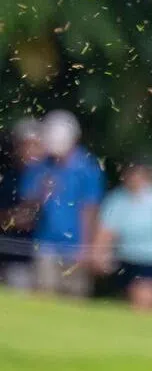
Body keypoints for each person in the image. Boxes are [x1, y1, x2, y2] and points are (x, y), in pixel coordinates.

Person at [19, 110, 104, 297]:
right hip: (45, 242)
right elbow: (27, 208)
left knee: (75, 295)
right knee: (45, 293)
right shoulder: (40, 167)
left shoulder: (87, 168)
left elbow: (90, 209)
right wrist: (42, 192)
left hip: (76, 245)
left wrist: (87, 246)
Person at [92, 158, 152, 310]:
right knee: (129, 301)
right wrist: (99, 255)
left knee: (144, 297)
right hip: (125, 259)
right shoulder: (116, 200)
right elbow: (105, 233)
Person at [0, 118, 43, 289]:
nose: (29, 151)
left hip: (42, 254)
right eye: (25, 145)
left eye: (35, 145)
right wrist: (14, 217)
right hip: (12, 253)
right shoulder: (9, 178)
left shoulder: (51, 175)